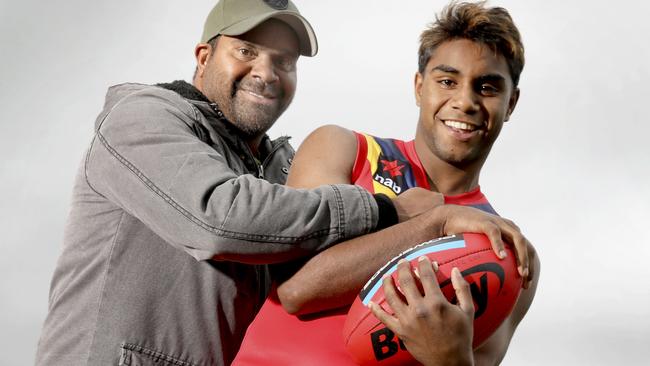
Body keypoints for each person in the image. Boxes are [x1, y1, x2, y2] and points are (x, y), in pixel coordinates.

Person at [35, 1, 521, 365]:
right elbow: (229, 222)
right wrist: (405, 216)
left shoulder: (274, 167)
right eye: (246, 50)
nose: (266, 73)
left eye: (284, 61)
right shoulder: (141, 117)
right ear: (204, 55)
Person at [233, 2, 540, 365]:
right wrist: (433, 223)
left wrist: (451, 359)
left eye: (487, 87)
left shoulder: (507, 252)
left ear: (511, 104)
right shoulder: (344, 149)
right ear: (419, 87)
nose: (465, 101)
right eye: (447, 81)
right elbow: (298, 288)